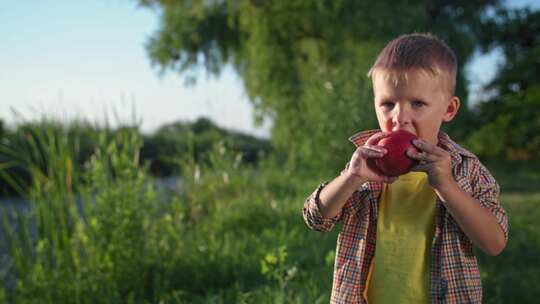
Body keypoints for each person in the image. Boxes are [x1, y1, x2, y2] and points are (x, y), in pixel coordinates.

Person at [302, 33, 508, 304]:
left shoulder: (466, 170)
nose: (399, 117)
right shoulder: (365, 167)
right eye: (388, 104)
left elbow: (494, 243)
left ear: (448, 109)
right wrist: (350, 177)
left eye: (417, 103)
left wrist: (446, 185)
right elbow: (316, 218)